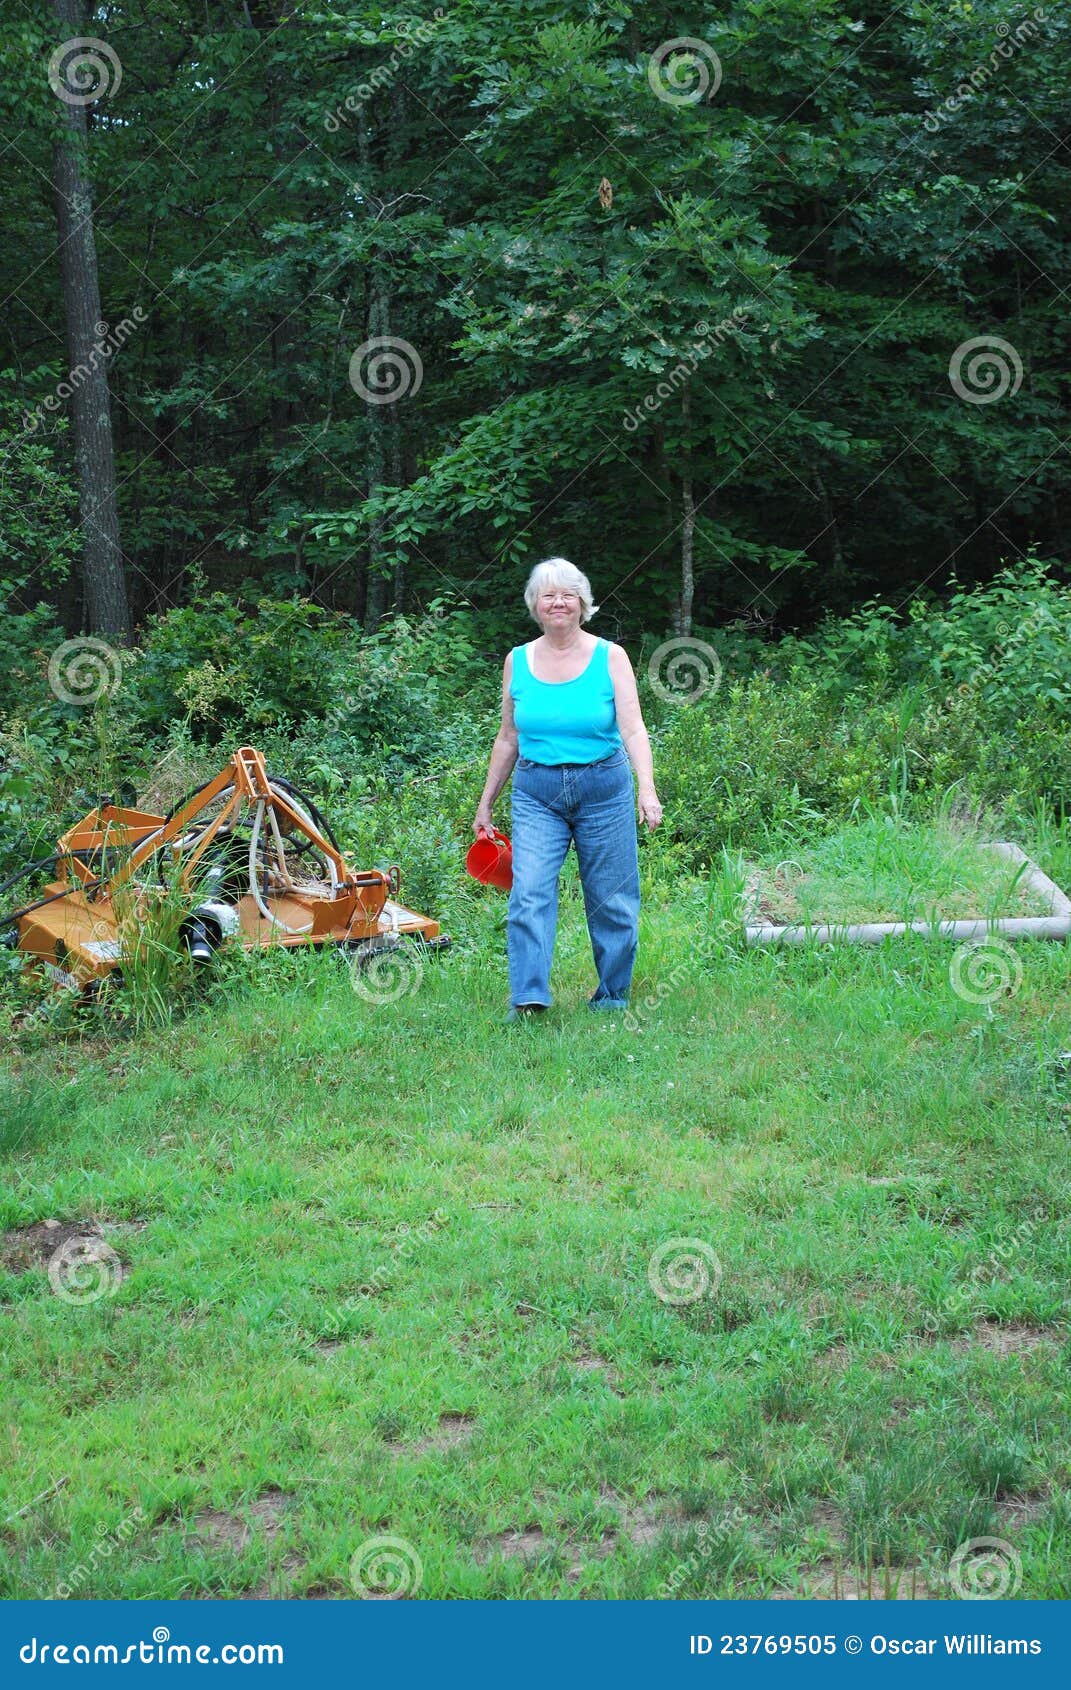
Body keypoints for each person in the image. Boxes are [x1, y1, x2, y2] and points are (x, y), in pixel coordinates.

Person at [473, 557, 663, 1023]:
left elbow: (634, 729)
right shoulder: (517, 660)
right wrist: (485, 803)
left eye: (568, 594)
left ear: (583, 603)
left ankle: (613, 994)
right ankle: (528, 998)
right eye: (548, 594)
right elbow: (508, 737)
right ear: (535, 606)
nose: (558, 602)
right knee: (529, 892)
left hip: (604, 787)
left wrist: (647, 790)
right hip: (538, 792)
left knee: (611, 895)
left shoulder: (610, 656)